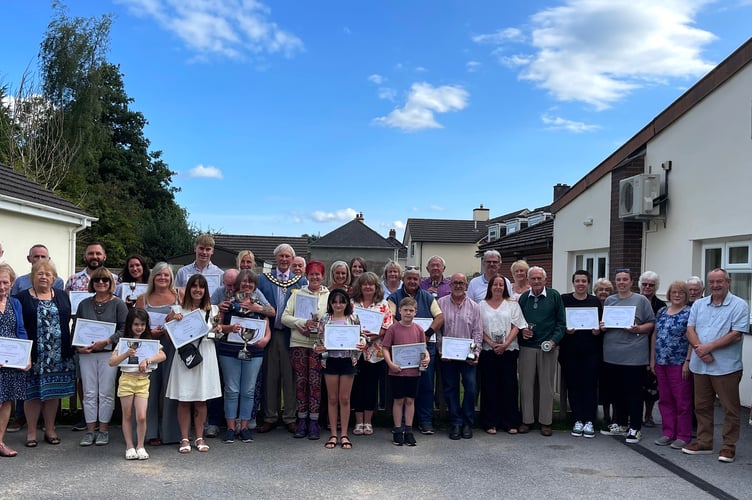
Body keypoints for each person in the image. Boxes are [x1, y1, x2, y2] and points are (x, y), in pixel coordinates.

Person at [682, 268, 749, 463]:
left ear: (728, 281)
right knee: (701, 406)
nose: (715, 285)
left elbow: (736, 334)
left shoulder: (739, 305)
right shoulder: (700, 304)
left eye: (719, 281)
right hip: (700, 365)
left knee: (730, 408)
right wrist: (699, 350)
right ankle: (704, 442)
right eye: (712, 282)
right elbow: (690, 329)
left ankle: (728, 446)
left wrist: (707, 348)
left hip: (726, 367)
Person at [16, 260, 75, 448]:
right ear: (32, 276)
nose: (44, 277)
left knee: (53, 393)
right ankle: (32, 432)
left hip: (58, 355)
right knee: (32, 394)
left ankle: (50, 429)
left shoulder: (63, 296)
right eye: (40, 273)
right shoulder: (21, 298)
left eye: (48, 274)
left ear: (54, 278)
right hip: (34, 355)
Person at [165, 274, 222, 454]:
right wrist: (173, 322)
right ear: (188, 289)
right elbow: (169, 336)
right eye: (194, 286)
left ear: (206, 290)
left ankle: (199, 436)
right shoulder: (177, 310)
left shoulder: (213, 310)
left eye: (201, 287)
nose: (198, 290)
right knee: (184, 398)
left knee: (201, 398)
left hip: (205, 354)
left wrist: (219, 331)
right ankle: (184, 437)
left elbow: (217, 334)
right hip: (185, 355)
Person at [599, 268, 655, 444]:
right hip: (612, 354)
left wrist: (638, 329)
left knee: (634, 392)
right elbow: (605, 322)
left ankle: (635, 427)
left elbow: (651, 324)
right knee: (617, 392)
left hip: (634, 355)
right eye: (618, 280)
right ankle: (621, 423)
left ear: (631, 282)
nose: (621, 282)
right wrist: (603, 326)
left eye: (625, 279)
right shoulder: (610, 300)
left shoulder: (641, 300)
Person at [75, 267, 129, 447]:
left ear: (110, 283)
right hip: (87, 354)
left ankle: (103, 430)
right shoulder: (84, 304)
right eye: (97, 280)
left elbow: (124, 329)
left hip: (109, 353)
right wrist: (78, 347)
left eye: (105, 280)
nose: (101, 283)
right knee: (89, 393)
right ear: (92, 283)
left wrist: (107, 340)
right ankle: (90, 431)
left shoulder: (119, 304)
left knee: (106, 393)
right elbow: (76, 328)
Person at [216, 270, 272, 444]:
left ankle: (245, 427)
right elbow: (218, 326)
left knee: (248, 390)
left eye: (251, 282)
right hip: (229, 350)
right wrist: (229, 329)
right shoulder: (229, 304)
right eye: (244, 282)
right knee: (232, 390)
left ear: (255, 285)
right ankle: (231, 428)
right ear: (239, 284)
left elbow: (267, 322)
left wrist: (266, 339)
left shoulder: (259, 304)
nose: (247, 285)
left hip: (254, 352)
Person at [387, 266, 443, 435]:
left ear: (420, 281)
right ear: (403, 280)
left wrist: (427, 334)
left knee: (425, 385)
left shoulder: (428, 297)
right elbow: (390, 319)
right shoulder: (394, 297)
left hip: (424, 347)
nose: (412, 281)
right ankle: (401, 423)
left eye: (415, 279)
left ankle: (425, 421)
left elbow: (439, 317)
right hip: (400, 349)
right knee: (400, 389)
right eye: (409, 278)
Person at [256, 244, 305, 433]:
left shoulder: (300, 282)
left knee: (289, 376)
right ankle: (270, 416)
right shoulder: (263, 280)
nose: (284, 260)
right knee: (271, 375)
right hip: (270, 333)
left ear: (292, 260)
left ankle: (290, 416)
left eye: (287, 257)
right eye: (281, 256)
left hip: (291, 334)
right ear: (276, 258)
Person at [108, 308, 166, 460]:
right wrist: (126, 354)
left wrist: (148, 360)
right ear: (130, 325)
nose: (139, 327)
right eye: (136, 324)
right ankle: (129, 446)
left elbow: (162, 355)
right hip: (127, 379)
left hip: (143, 381)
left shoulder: (149, 342)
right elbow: (112, 362)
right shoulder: (123, 342)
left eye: (142, 324)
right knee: (127, 415)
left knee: (141, 416)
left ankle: (140, 445)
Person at [135, 262, 182, 445]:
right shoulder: (143, 299)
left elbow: (188, 319)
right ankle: (149, 432)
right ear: (153, 277)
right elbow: (134, 325)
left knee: (171, 388)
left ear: (171, 278)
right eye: (159, 275)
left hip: (172, 346)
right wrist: (148, 332)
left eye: (166, 275)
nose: (163, 278)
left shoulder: (180, 295)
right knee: (150, 389)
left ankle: (171, 433)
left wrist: (175, 320)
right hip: (149, 346)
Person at [281, 260, 329, 440]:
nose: (315, 277)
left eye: (318, 274)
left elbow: (333, 317)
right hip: (299, 343)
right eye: (311, 274)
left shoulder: (328, 295)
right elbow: (285, 317)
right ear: (306, 276)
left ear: (322, 276)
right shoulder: (297, 294)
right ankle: (302, 420)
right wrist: (301, 323)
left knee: (315, 383)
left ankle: (314, 421)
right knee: (300, 383)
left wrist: (320, 326)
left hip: (318, 344)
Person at [517, 266, 566, 437]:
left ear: (545, 280)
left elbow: (561, 323)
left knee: (546, 386)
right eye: (533, 279)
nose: (536, 282)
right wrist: (523, 330)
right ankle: (527, 420)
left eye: (539, 278)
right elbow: (518, 321)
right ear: (528, 281)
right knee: (526, 384)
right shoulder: (524, 298)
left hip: (548, 347)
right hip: (527, 347)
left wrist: (554, 340)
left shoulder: (554, 296)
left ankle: (546, 421)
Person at [314, 289, 364, 450]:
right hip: (331, 361)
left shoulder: (353, 318)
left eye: (341, 301)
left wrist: (361, 343)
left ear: (347, 303)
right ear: (330, 303)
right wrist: (318, 348)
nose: (338, 305)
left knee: (345, 399)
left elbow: (361, 336)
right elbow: (318, 341)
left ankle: (344, 434)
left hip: (348, 360)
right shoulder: (325, 318)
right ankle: (333, 434)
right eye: (334, 302)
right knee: (332, 398)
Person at [478, 274, 526, 435]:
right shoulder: (481, 305)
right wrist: (491, 344)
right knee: (489, 386)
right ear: (490, 287)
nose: (498, 287)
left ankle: (510, 421)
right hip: (488, 350)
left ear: (505, 288)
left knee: (509, 386)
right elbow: (478, 328)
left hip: (509, 350)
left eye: (501, 285)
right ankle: (490, 421)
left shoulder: (512, 304)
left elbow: (517, 326)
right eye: (495, 284)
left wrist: (505, 344)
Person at [437, 273, 483, 440]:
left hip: (467, 356)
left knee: (470, 387)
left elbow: (478, 332)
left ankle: (467, 422)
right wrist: (442, 350)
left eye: (461, 283)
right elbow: (438, 331)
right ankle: (455, 422)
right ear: (450, 286)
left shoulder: (474, 307)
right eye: (455, 283)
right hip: (448, 356)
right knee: (450, 389)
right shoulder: (440, 304)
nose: (458, 286)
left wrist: (476, 352)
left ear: (466, 285)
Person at [650, 281, 692, 449]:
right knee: (665, 399)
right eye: (674, 292)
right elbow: (655, 335)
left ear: (686, 295)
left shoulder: (689, 312)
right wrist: (652, 359)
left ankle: (683, 435)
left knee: (682, 401)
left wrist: (687, 362)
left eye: (680, 293)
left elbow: (692, 338)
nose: (677, 295)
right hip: (661, 362)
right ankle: (668, 432)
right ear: (669, 294)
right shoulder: (661, 311)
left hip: (679, 362)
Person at [560, 270, 602, 438]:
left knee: (590, 386)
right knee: (574, 386)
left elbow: (601, 324)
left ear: (588, 283)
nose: (581, 284)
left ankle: (589, 420)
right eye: (578, 281)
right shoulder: (564, 300)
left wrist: (598, 331)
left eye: (584, 281)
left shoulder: (595, 301)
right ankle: (578, 419)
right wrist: (565, 330)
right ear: (573, 283)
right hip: (570, 351)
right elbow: (559, 322)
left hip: (591, 352)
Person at [350, 271, 393, 436]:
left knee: (371, 387)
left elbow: (386, 326)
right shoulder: (352, 304)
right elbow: (347, 322)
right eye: (364, 284)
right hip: (355, 352)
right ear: (360, 286)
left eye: (371, 284)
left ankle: (368, 422)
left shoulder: (383, 304)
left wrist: (370, 337)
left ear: (376, 287)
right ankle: (358, 421)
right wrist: (360, 337)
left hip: (375, 353)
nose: (368, 287)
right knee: (356, 387)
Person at [382, 297, 428, 446]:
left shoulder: (419, 329)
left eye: (411, 310)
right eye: (405, 310)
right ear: (400, 311)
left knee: (410, 400)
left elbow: (423, 348)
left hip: (413, 371)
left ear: (416, 312)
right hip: (397, 371)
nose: (408, 313)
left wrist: (426, 358)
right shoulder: (393, 329)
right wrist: (390, 364)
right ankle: (397, 430)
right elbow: (385, 348)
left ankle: (408, 430)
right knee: (398, 400)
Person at [0, 264, 30, 458]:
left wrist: (26, 355)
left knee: (6, 402)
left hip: (10, 362)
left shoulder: (15, 303)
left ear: (11, 284)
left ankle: (0, 441)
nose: (2, 286)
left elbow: (20, 330)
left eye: (5, 282)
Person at [593, 277, 615, 423]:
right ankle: (601, 414)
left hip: (611, 349)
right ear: (595, 291)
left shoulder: (614, 306)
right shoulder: (591, 305)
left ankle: (611, 415)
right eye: (601, 290)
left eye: (607, 290)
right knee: (598, 384)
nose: (603, 292)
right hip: (595, 348)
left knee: (610, 384)